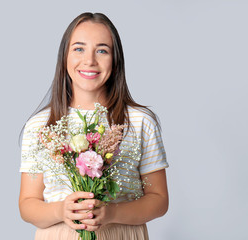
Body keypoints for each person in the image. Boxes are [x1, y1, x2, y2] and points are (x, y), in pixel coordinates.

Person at [18, 12, 169, 239]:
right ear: (64, 57)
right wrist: (61, 210)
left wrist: (111, 212)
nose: (89, 60)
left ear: (115, 59)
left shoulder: (140, 122)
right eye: (79, 49)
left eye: (102, 50)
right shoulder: (40, 125)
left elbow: (159, 200)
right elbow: (27, 204)